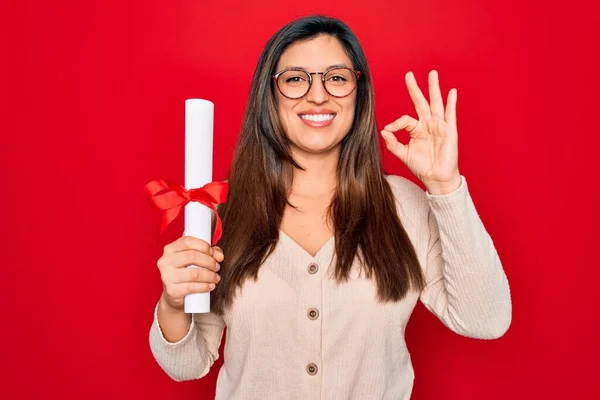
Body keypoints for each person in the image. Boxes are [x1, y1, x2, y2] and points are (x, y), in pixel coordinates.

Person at [149, 14, 512, 400]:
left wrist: (445, 186)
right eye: (295, 79)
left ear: (359, 91)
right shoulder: (222, 210)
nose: (317, 95)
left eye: (336, 78)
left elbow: (485, 319)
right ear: (269, 96)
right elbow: (186, 364)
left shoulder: (403, 206)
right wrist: (173, 302)